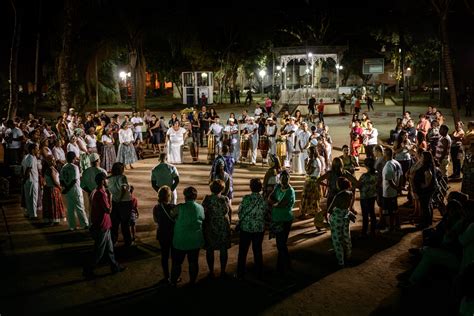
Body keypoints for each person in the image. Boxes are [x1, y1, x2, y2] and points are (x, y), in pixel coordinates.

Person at [82, 172, 126, 278]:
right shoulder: (101, 194)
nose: (108, 181)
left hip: (102, 224)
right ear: (102, 181)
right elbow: (108, 210)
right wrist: (110, 197)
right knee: (99, 251)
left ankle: (114, 266)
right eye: (106, 179)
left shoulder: (95, 191)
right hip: (102, 225)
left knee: (109, 249)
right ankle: (88, 270)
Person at [170, 186, 205, 286]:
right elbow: (202, 218)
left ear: (185, 196)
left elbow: (171, 214)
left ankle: (173, 282)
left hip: (180, 240)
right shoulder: (200, 208)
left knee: (177, 263)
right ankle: (192, 281)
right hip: (195, 240)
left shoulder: (180, 207)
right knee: (193, 262)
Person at [236, 178, 266, 280]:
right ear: (261, 188)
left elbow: (240, 212)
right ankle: (259, 272)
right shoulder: (263, 200)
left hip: (246, 229)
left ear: (250, 187)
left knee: (243, 251)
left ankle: (240, 272)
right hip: (259, 229)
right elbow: (265, 213)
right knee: (257, 250)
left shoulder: (246, 198)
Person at [202, 180, 232, 278]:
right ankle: (223, 270)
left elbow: (203, 213)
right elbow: (229, 212)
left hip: (210, 225)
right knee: (223, 249)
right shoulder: (225, 199)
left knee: (210, 249)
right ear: (222, 189)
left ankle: (211, 271)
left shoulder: (207, 199)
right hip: (223, 226)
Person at [268, 170, 295, 275]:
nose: (284, 179)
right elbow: (270, 198)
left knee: (281, 244)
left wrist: (274, 204)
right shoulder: (278, 187)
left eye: (286, 177)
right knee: (281, 244)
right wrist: (274, 203)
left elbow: (281, 204)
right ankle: (283, 265)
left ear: (289, 178)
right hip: (276, 219)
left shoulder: (290, 191)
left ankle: (284, 266)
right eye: (282, 177)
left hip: (285, 220)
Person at [328, 177, 355, 267]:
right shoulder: (350, 193)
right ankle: (349, 255)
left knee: (337, 239)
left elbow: (330, 209)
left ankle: (340, 260)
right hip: (345, 215)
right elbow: (349, 206)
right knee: (346, 235)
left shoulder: (338, 195)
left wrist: (327, 215)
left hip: (337, 217)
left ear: (339, 185)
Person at [60, 151, 89, 230]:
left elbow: (61, 180)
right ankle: (85, 224)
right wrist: (68, 188)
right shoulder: (75, 167)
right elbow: (74, 180)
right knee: (80, 207)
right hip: (75, 190)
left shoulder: (64, 167)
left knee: (70, 209)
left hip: (68, 191)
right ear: (74, 158)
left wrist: (66, 189)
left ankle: (72, 226)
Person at [153, 185, 176, 284]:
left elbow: (155, 220)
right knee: (175, 257)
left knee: (164, 256)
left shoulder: (156, 207)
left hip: (162, 233)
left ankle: (166, 276)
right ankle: (174, 277)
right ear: (169, 196)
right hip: (173, 233)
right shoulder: (173, 207)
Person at [108, 162, 133, 247]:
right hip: (125, 202)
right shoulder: (122, 177)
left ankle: (114, 241)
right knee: (125, 223)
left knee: (114, 223)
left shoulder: (109, 179)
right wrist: (121, 198)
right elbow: (123, 188)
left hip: (115, 202)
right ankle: (128, 241)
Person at [381, 147, 403, 233]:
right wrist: (399, 188)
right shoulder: (397, 163)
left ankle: (389, 227)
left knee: (387, 211)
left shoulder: (388, 166)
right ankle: (397, 225)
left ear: (386, 155)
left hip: (388, 192)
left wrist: (397, 188)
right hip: (394, 191)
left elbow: (390, 182)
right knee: (394, 209)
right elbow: (401, 176)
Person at [413, 151, 436, 229]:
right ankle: (428, 221)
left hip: (426, 190)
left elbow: (428, 175)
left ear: (426, 158)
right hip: (427, 189)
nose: (421, 158)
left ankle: (425, 223)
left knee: (425, 206)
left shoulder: (427, 167)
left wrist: (425, 185)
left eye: (422, 157)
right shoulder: (427, 165)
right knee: (427, 205)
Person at [300, 146, 323, 220]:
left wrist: (305, 163)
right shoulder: (318, 160)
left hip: (311, 181)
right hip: (315, 180)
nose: (308, 154)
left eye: (309, 152)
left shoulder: (313, 161)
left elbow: (308, 171)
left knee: (305, 197)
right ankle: (315, 214)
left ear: (313, 153)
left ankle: (304, 213)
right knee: (314, 199)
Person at [358, 158, 377, 237]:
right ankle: (373, 230)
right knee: (372, 213)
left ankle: (364, 231)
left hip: (364, 197)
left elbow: (359, 185)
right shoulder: (376, 174)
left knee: (365, 215)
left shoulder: (364, 176)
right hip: (373, 196)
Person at [21, 143, 40, 219]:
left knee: (28, 198)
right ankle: (33, 214)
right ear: (32, 150)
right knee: (33, 198)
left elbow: (22, 168)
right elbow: (28, 170)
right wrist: (25, 179)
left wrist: (23, 179)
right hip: (32, 180)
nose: (38, 150)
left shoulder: (26, 157)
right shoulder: (31, 158)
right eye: (36, 149)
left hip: (28, 180)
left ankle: (29, 213)